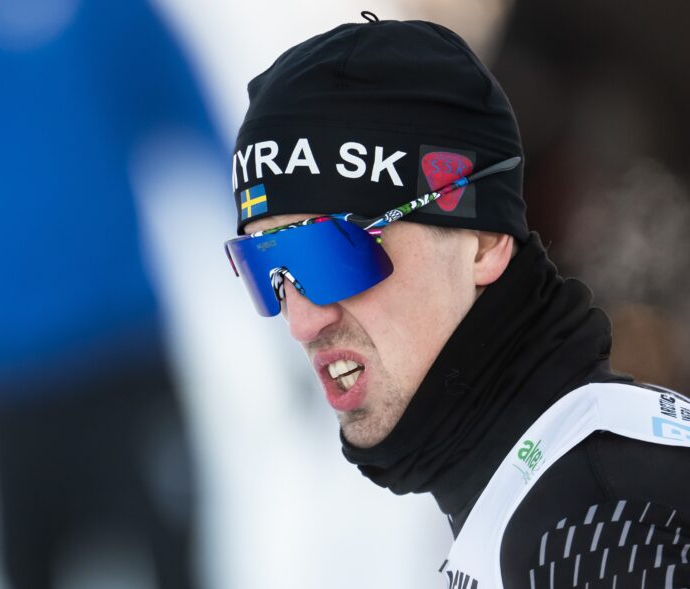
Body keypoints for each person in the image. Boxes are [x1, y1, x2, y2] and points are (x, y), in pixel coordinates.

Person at [223, 13, 690, 589]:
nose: (300, 319)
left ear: (483, 242)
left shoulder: (601, 528)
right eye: (267, 268)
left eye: (328, 253)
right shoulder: (544, 499)